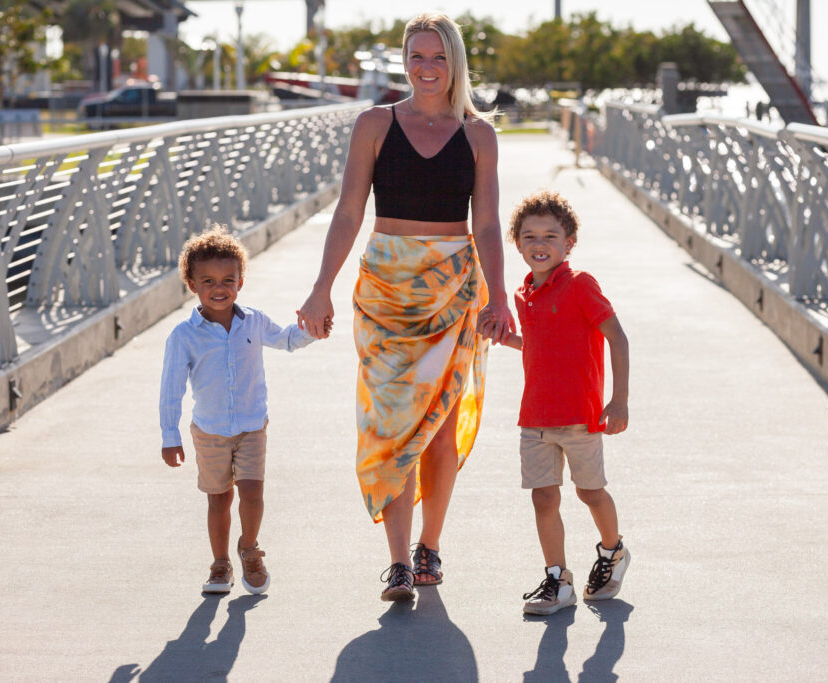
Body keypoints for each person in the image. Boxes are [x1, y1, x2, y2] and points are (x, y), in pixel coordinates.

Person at [297, 11, 515, 602]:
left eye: (438, 57)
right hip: (385, 294)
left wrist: (498, 296)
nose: (426, 68)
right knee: (391, 427)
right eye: (417, 56)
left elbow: (489, 224)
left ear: (455, 64)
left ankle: (430, 548)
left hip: (453, 290)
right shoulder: (373, 124)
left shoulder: (478, 135)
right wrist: (322, 286)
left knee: (439, 430)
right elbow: (348, 212)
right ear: (404, 61)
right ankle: (397, 562)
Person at [484, 190, 630, 615]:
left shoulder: (581, 284)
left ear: (569, 243)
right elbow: (539, 344)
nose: (539, 244)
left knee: (590, 492)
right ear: (517, 245)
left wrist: (618, 401)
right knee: (543, 497)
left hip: (581, 417)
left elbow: (617, 338)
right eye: (529, 236)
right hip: (535, 417)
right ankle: (557, 579)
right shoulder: (523, 294)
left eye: (550, 235)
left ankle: (612, 552)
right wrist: (503, 337)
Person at [160, 225, 320, 594]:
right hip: (210, 430)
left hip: (251, 427)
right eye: (208, 281)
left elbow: (287, 340)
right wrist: (170, 436)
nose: (220, 289)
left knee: (252, 493)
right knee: (219, 499)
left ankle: (250, 549)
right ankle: (220, 565)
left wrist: (313, 329)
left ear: (241, 282)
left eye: (228, 280)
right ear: (192, 284)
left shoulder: (254, 322)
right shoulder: (184, 337)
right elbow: (171, 390)